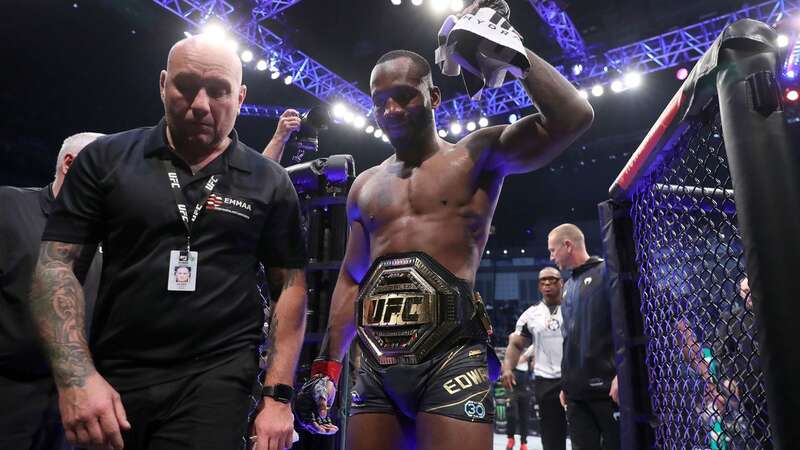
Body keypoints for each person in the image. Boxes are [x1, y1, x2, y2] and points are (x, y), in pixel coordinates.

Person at [294, 3, 594, 448]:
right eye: (379, 102)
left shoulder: (477, 154)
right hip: (377, 366)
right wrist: (326, 367)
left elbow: (574, 117)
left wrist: (515, 54)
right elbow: (352, 278)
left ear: (434, 97)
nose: (391, 110)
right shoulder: (364, 187)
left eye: (404, 95)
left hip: (453, 358)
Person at [29, 35, 308, 450]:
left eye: (218, 91)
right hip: (115, 376)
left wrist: (277, 397)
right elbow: (56, 266)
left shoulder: (269, 180)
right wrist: (76, 379)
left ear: (241, 96)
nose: (200, 104)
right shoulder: (106, 159)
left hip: (218, 376)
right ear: (162, 84)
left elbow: (290, 285)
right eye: (186, 86)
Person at [0, 132, 103, 450]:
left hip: (75, 404)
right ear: (70, 165)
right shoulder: (8, 207)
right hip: (8, 396)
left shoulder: (111, 235)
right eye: (107, 171)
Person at [547, 224, 620, 450]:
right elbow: (570, 339)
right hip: (576, 394)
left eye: (552, 250)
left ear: (567, 245)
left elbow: (623, 328)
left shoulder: (607, 271)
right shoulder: (568, 286)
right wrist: (566, 384)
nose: (551, 257)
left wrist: (622, 374)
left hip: (607, 391)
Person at [502, 267, 567, 450]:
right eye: (543, 281)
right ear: (539, 286)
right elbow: (515, 344)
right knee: (551, 434)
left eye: (552, 280)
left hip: (574, 377)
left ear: (561, 282)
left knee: (582, 431)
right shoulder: (531, 314)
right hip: (545, 381)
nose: (547, 284)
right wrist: (507, 367)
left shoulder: (572, 307)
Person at [503, 347, 534, 450]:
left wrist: (532, 359)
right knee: (512, 413)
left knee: (524, 416)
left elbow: (534, 365)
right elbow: (505, 365)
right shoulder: (512, 351)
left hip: (525, 385)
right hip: (513, 385)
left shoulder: (530, 353)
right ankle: (511, 438)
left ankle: (523, 442)